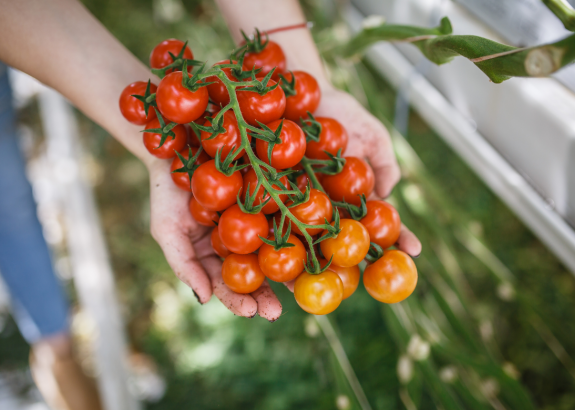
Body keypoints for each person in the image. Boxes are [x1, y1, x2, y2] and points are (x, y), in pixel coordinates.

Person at [0, 0, 422, 408]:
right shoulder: (254, 147)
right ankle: (55, 345)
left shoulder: (258, 139)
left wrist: (300, 75)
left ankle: (53, 344)